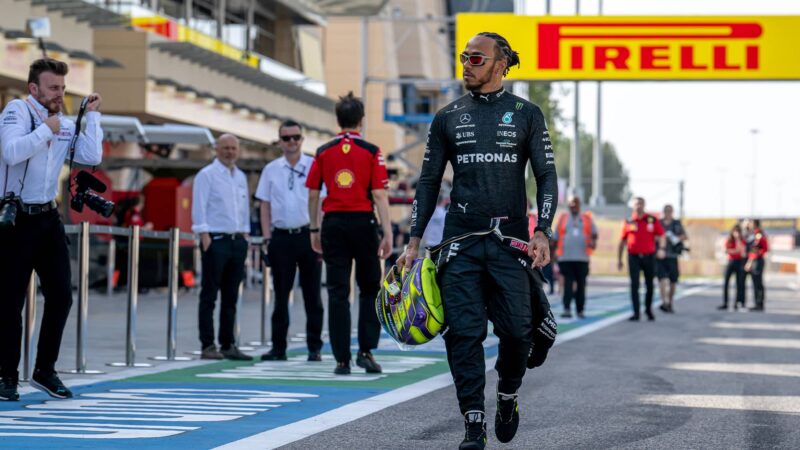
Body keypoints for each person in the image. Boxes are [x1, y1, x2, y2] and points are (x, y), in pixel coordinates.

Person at [398, 32, 558, 450]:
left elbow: (545, 176)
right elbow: (428, 181)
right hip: (460, 242)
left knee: (518, 333)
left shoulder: (526, 113)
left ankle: (507, 396)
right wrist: (413, 241)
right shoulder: (447, 117)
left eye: (476, 58)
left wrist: (542, 229)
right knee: (463, 334)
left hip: (511, 242)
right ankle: (473, 422)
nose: (466, 65)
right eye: (464, 57)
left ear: (501, 64)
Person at [0, 58, 103, 400]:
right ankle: (6, 375)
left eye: (63, 87)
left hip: (48, 217)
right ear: (34, 88)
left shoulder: (63, 121)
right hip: (15, 218)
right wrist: (46, 129)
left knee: (61, 296)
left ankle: (45, 369)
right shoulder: (17, 111)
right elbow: (11, 152)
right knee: (9, 300)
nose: (60, 93)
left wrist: (93, 117)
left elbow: (92, 155)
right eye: (53, 87)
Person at [306, 92, 393, 375]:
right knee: (369, 288)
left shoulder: (323, 151)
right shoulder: (371, 151)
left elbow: (313, 194)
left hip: (332, 223)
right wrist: (388, 232)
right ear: (361, 120)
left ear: (338, 120)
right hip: (363, 223)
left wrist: (314, 228)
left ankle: (341, 360)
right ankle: (365, 351)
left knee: (337, 292)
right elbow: (379, 194)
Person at [256, 120, 324, 362]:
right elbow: (264, 205)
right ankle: (278, 347)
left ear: (302, 139)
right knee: (281, 295)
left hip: (309, 235)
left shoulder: (314, 165)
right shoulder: (271, 169)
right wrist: (267, 237)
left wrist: (320, 234)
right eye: (286, 138)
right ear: (280, 142)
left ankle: (314, 347)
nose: (292, 142)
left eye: (296, 137)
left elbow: (322, 202)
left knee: (312, 295)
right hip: (281, 237)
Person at [191, 134, 253, 361]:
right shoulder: (206, 175)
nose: (229, 152)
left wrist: (245, 234)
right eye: (225, 148)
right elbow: (199, 206)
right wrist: (204, 235)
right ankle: (208, 345)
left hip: (237, 241)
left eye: (233, 148)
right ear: (216, 149)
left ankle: (228, 344)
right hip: (215, 240)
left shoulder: (241, 177)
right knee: (209, 295)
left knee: (231, 296)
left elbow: (243, 209)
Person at [618, 197, 666, 321]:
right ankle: (636, 312)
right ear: (633, 206)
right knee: (634, 284)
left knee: (649, 284)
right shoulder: (629, 221)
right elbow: (622, 241)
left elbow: (662, 235)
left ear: (644, 205)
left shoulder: (651, 220)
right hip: (633, 257)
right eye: (636, 204)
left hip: (649, 256)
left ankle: (648, 310)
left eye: (640, 204)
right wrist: (619, 259)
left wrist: (661, 249)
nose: (638, 206)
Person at [553, 195, 597, 319]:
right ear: (568, 205)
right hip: (565, 258)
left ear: (579, 204)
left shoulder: (587, 218)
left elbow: (594, 234)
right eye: (571, 203)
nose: (573, 205)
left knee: (581, 285)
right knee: (567, 284)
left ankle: (580, 310)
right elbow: (555, 238)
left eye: (575, 202)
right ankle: (567, 309)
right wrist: (553, 255)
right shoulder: (563, 218)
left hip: (582, 258)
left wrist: (593, 242)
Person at [656, 204, 687, 313]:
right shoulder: (658, 223)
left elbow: (685, 236)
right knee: (662, 279)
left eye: (670, 211)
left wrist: (675, 237)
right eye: (666, 210)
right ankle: (664, 301)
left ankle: (670, 302)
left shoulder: (676, 223)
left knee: (673, 280)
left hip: (673, 255)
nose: (668, 213)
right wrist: (662, 237)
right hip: (661, 255)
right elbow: (653, 236)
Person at [719, 223, 746, 311]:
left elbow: (742, 251)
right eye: (735, 231)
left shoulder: (741, 240)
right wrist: (735, 251)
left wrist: (738, 240)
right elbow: (726, 250)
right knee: (726, 282)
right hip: (731, 262)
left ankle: (736, 303)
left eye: (738, 232)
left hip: (739, 262)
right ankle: (725, 303)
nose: (736, 233)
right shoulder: (729, 240)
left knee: (738, 283)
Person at [745, 219, 768, 311]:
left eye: (750, 223)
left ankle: (759, 304)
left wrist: (750, 262)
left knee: (758, 283)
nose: (749, 224)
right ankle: (757, 303)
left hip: (757, 261)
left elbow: (757, 249)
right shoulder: (753, 234)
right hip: (755, 260)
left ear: (754, 224)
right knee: (755, 282)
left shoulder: (758, 234)